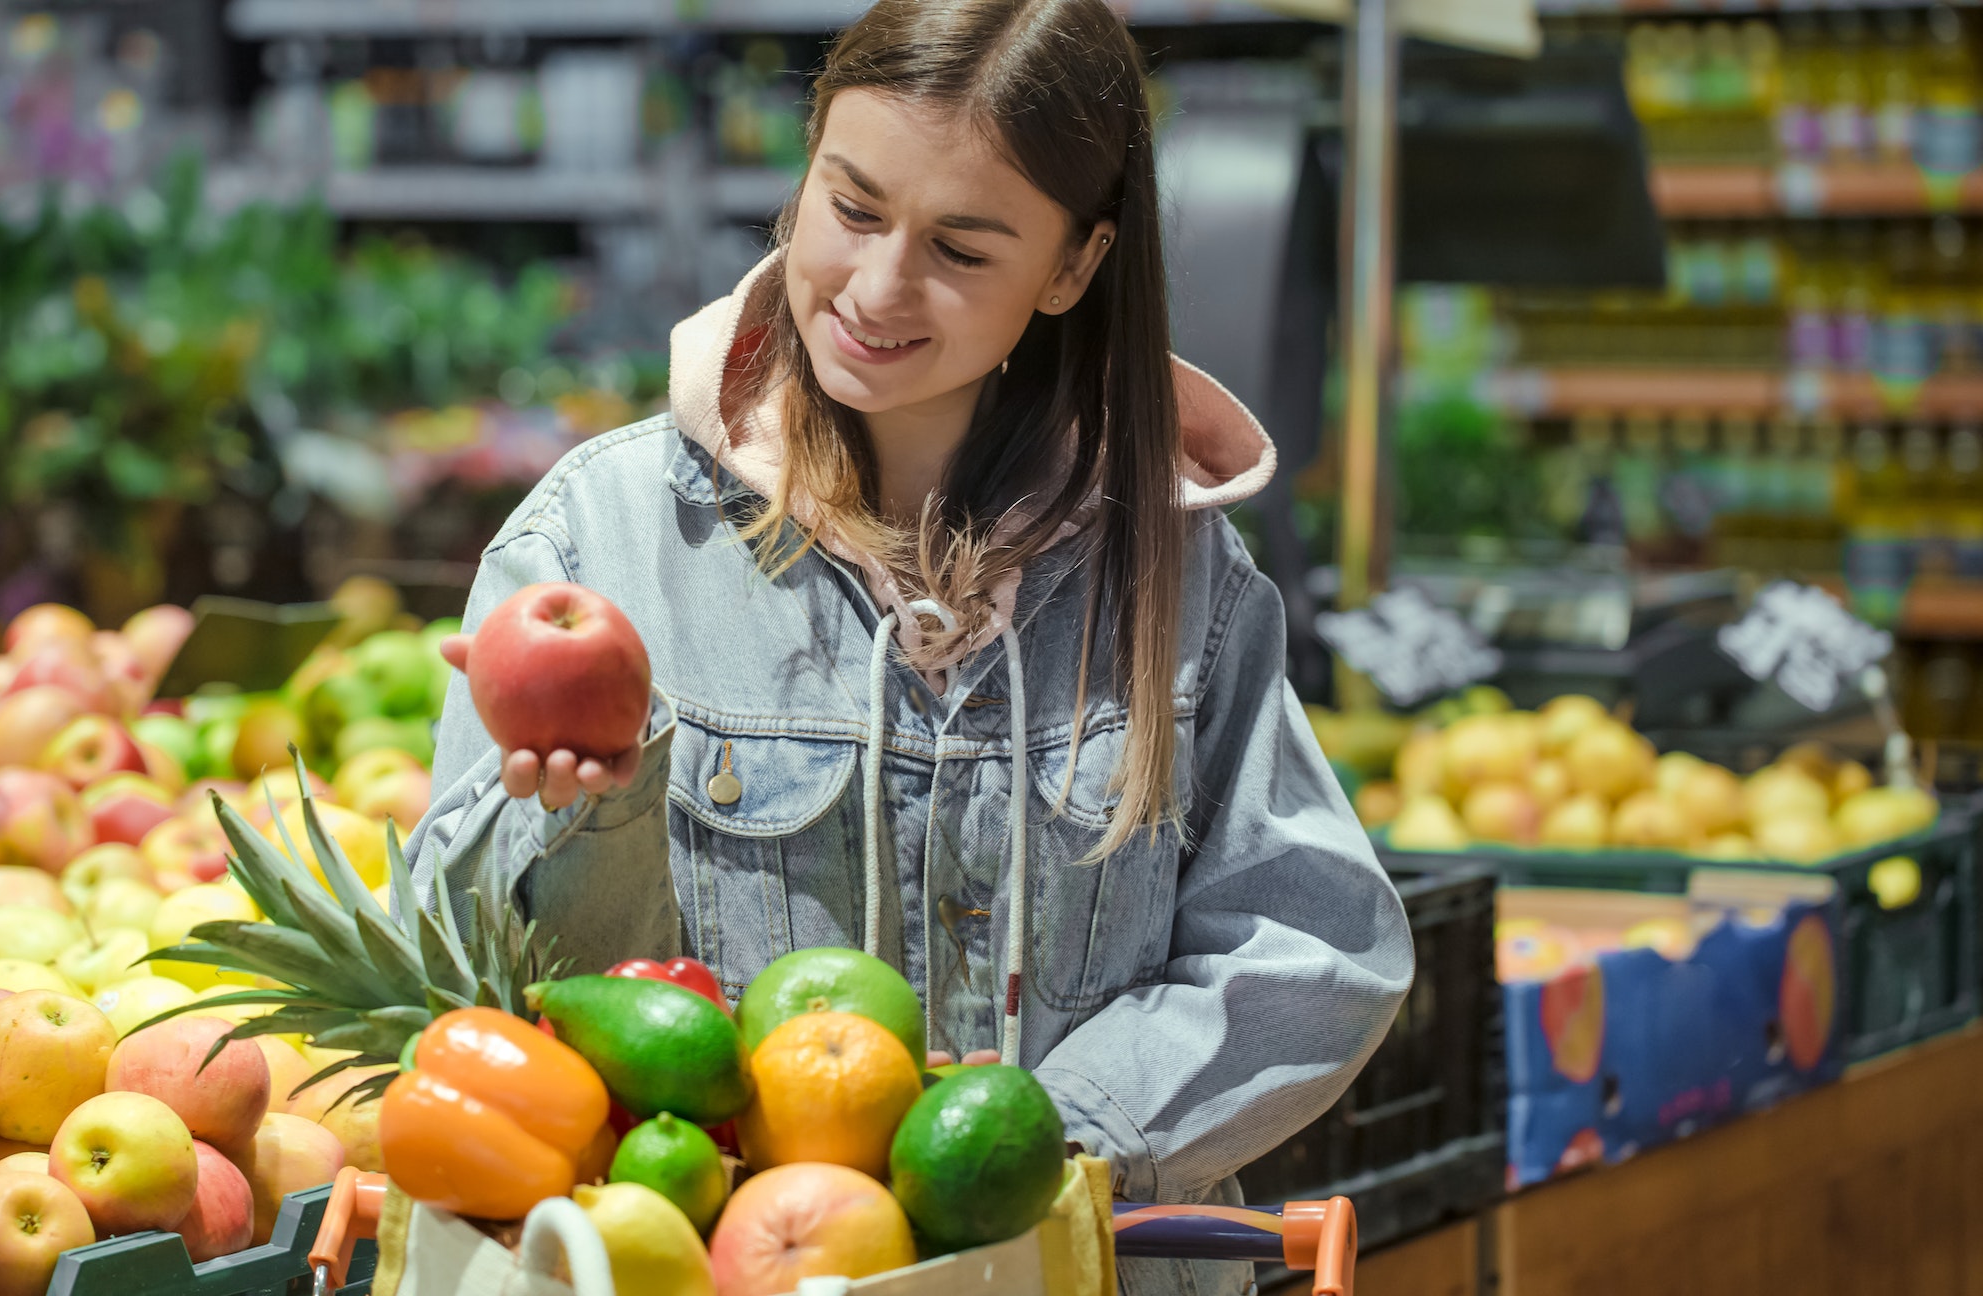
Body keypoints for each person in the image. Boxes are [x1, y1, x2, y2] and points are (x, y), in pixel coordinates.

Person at [408, 0, 1412, 1289]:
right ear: (806, 171)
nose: (879, 287)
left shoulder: (1179, 579)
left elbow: (1315, 941)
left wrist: (1041, 1154)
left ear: (1069, 268)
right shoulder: (603, 542)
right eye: (855, 206)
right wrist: (557, 817)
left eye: (962, 247)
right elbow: (450, 985)